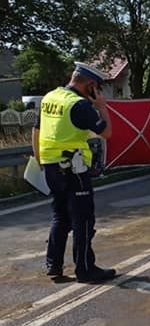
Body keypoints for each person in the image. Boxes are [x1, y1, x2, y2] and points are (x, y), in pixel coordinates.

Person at [32, 63, 116, 283]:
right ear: (89, 85)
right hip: (74, 170)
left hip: (51, 167)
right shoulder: (79, 105)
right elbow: (106, 132)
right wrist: (102, 106)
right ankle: (86, 269)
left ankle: (54, 266)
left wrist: (41, 161)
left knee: (60, 216)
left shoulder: (50, 97)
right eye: (96, 88)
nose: (97, 92)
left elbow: (36, 131)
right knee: (83, 220)